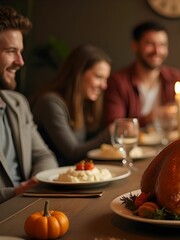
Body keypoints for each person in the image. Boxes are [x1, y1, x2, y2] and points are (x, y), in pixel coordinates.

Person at [0, 6, 57, 203]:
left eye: (21, 52)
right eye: (11, 51)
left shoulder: (18, 103)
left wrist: (36, 181)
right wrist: (19, 191)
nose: (21, 61)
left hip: (31, 204)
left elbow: (44, 156)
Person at [31, 44, 112, 166]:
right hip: (52, 178)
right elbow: (72, 153)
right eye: (99, 77)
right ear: (78, 73)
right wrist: (110, 134)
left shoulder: (81, 102)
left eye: (105, 79)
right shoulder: (50, 103)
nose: (104, 85)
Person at [104, 21, 180, 128]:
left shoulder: (176, 77)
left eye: (162, 45)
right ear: (135, 46)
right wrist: (153, 116)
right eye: (150, 44)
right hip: (135, 144)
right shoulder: (118, 81)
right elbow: (115, 128)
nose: (157, 51)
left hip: (171, 142)